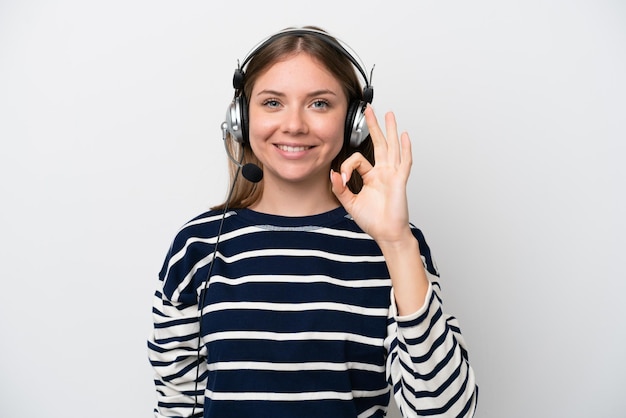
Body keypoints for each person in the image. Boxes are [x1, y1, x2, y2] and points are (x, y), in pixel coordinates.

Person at [148, 26, 478, 418]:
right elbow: (176, 406)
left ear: (353, 122)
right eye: (272, 103)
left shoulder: (396, 245)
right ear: (240, 117)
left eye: (319, 104)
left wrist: (396, 243)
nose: (294, 125)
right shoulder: (198, 246)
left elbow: (446, 413)